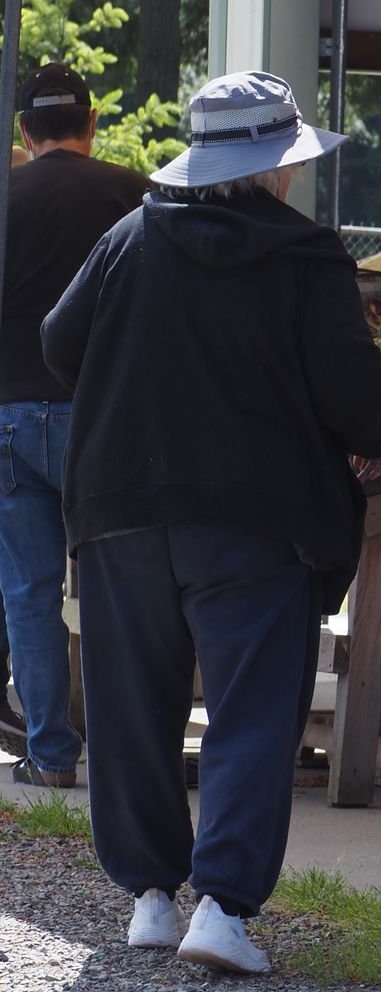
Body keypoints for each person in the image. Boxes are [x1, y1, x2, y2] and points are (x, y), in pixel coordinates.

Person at [43, 71, 381, 975]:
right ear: (277, 170)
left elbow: (58, 341)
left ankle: (152, 900)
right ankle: (224, 909)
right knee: (250, 710)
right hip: (256, 516)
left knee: (132, 709)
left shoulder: (131, 238)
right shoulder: (307, 256)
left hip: (120, 507)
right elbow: (357, 397)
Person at [0, 64, 150, 789]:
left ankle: (51, 755)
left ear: (23, 133)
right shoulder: (135, 195)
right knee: (118, 593)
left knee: (27, 593)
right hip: (106, 417)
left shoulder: (6, 193)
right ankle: (124, 758)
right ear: (91, 125)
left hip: (9, 418)